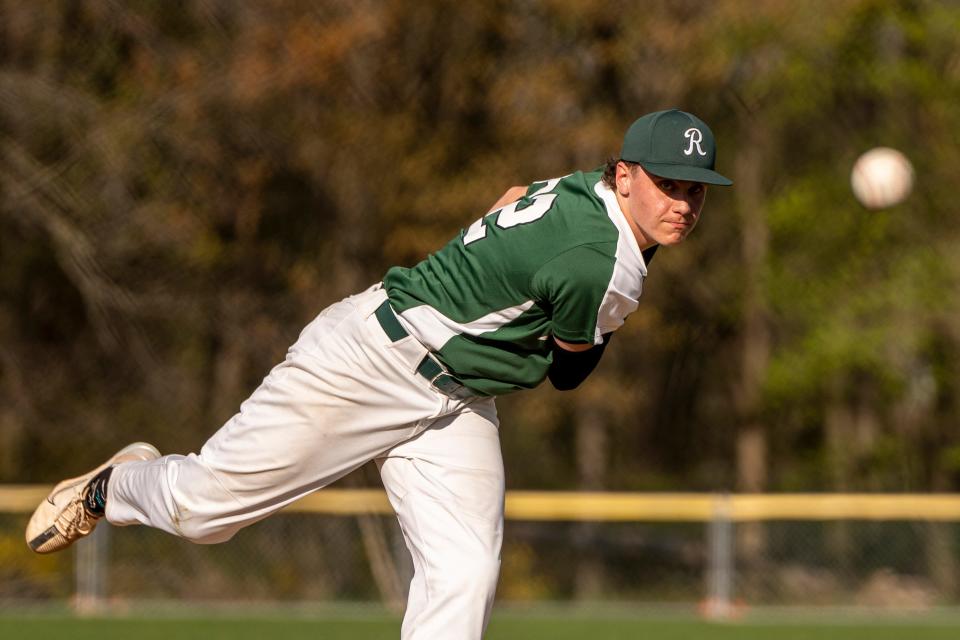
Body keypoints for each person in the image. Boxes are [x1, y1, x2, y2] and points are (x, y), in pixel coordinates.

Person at [26, 109, 731, 639]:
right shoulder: (600, 263)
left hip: (455, 397)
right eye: (668, 184)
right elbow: (570, 378)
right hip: (370, 364)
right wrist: (596, 306)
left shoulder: (586, 195)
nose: (683, 204)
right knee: (205, 513)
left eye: (696, 191)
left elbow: (518, 197)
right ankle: (113, 486)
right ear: (625, 173)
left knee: (464, 572)